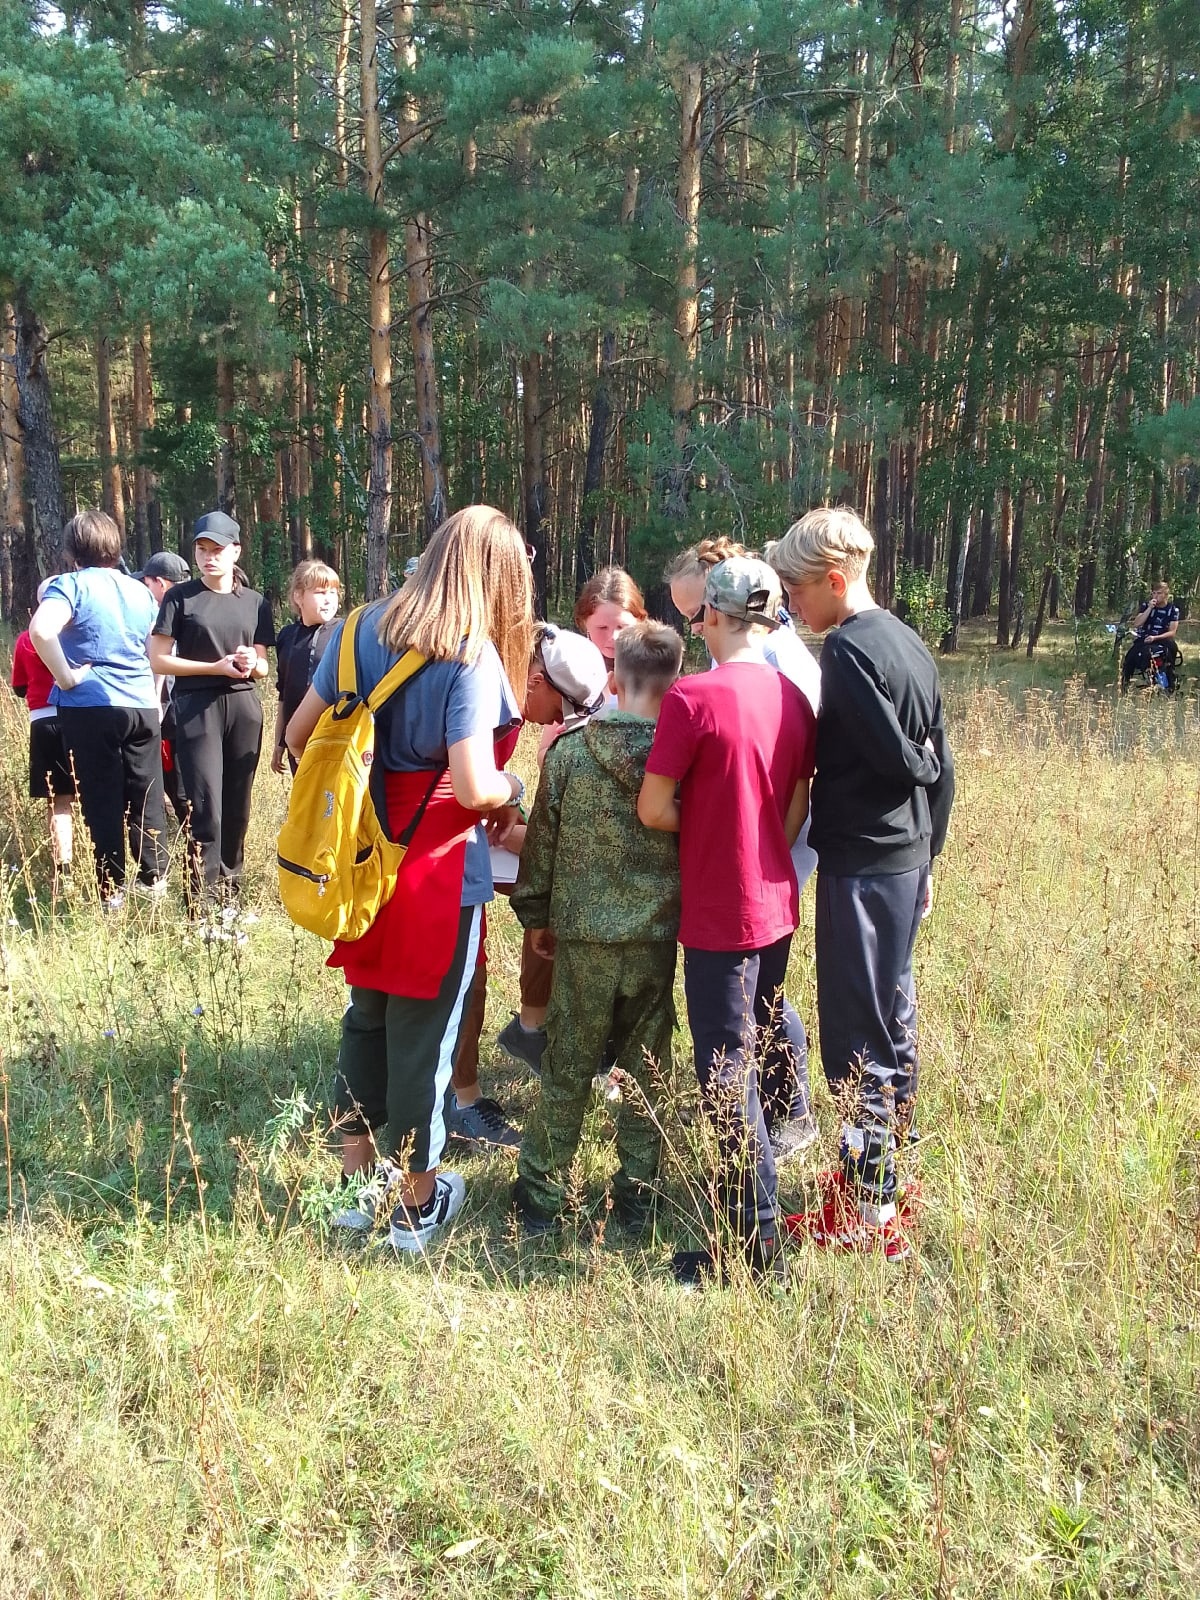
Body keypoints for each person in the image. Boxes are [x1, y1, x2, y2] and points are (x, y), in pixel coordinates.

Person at [285, 505, 534, 1254]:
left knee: (366, 1019)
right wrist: (514, 790)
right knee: (425, 1036)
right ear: (497, 576)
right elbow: (473, 781)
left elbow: (299, 736)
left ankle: (354, 1196)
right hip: (433, 868)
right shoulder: (469, 652)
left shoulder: (358, 627)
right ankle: (416, 1208)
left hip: (361, 861)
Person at [768, 507, 955, 1261]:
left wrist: (916, 774)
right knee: (892, 1018)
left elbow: (910, 758)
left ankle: (865, 1213)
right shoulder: (908, 640)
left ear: (836, 581)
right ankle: (887, 1184)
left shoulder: (847, 648)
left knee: (856, 1035)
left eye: (797, 588)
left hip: (864, 865)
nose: (791, 605)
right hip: (902, 862)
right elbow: (945, 761)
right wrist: (929, 856)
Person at [639, 557, 817, 1286]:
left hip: (720, 911)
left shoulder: (691, 698)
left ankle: (755, 1243)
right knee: (756, 1038)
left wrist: (708, 823)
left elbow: (653, 808)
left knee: (724, 1071)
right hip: (775, 901)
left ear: (708, 616)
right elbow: (798, 805)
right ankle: (759, 1209)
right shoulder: (792, 698)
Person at [509, 621, 684, 1233]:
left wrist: (536, 916)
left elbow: (543, 848)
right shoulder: (680, 761)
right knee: (645, 1071)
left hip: (581, 941)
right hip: (655, 940)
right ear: (676, 683)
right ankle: (637, 1198)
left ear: (612, 681)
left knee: (566, 1067)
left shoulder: (570, 755)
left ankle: (539, 1196)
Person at [447, 623, 609, 1150]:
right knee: (460, 968)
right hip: (433, 844)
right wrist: (509, 789)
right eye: (560, 711)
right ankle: (456, 1101)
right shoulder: (479, 681)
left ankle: (451, 1092)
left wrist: (503, 805)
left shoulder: (507, 690)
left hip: (464, 838)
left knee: (469, 964)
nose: (558, 724)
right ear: (537, 680)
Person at [668, 535, 822, 919]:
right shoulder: (740, 651)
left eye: (695, 616)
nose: (696, 629)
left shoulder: (775, 654)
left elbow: (797, 755)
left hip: (772, 832)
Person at [28, 511, 168, 907]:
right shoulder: (139, 590)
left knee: (101, 795)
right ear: (115, 546)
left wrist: (67, 677)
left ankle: (113, 891)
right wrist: (153, 697)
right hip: (141, 704)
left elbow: (40, 630)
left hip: (91, 705)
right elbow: (157, 648)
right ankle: (154, 881)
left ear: (73, 549)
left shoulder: (71, 586)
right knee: (147, 793)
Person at [493, 625, 612, 1075]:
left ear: (538, 681)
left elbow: (564, 845)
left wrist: (517, 836)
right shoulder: (597, 736)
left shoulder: (570, 751)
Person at [148, 512, 275, 911]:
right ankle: (198, 906)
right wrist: (213, 667)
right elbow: (158, 660)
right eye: (202, 550)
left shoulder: (254, 602)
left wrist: (246, 662)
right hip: (196, 706)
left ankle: (230, 902)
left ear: (236, 551)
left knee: (238, 808)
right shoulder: (179, 597)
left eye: (217, 549)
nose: (209, 557)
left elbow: (264, 664)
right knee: (205, 807)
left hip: (243, 705)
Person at [10, 580, 74, 884]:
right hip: (83, 716)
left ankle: (65, 869)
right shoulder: (77, 633)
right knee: (99, 793)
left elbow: (20, 688)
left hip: (44, 720)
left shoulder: (25, 639)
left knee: (59, 800)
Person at [134, 550, 192, 828]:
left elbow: (162, 666)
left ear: (161, 583)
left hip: (171, 713)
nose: (145, 590)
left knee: (179, 784)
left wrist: (155, 699)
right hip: (188, 709)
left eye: (147, 584)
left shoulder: (163, 615)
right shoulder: (198, 606)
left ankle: (196, 843)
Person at [271, 559, 342, 776]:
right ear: (298, 596)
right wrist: (279, 743)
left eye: (333, 592)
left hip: (335, 737)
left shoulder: (346, 631)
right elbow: (284, 693)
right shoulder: (287, 636)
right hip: (299, 741)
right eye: (320, 592)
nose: (328, 599)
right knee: (307, 804)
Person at [574, 566, 647, 669]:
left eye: (622, 627)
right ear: (584, 623)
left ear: (639, 621)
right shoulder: (570, 669)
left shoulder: (656, 672)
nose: (613, 636)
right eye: (602, 627)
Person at [1121, 580, 1181, 690]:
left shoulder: (1173, 610)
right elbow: (1137, 623)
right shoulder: (1146, 606)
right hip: (1144, 638)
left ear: (1165, 595)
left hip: (1163, 639)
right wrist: (1149, 608)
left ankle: (1169, 684)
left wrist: (1155, 638)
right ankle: (1124, 686)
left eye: (1159, 593)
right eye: (1154, 593)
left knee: (1169, 653)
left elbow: (1172, 632)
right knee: (1129, 659)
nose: (1156, 596)